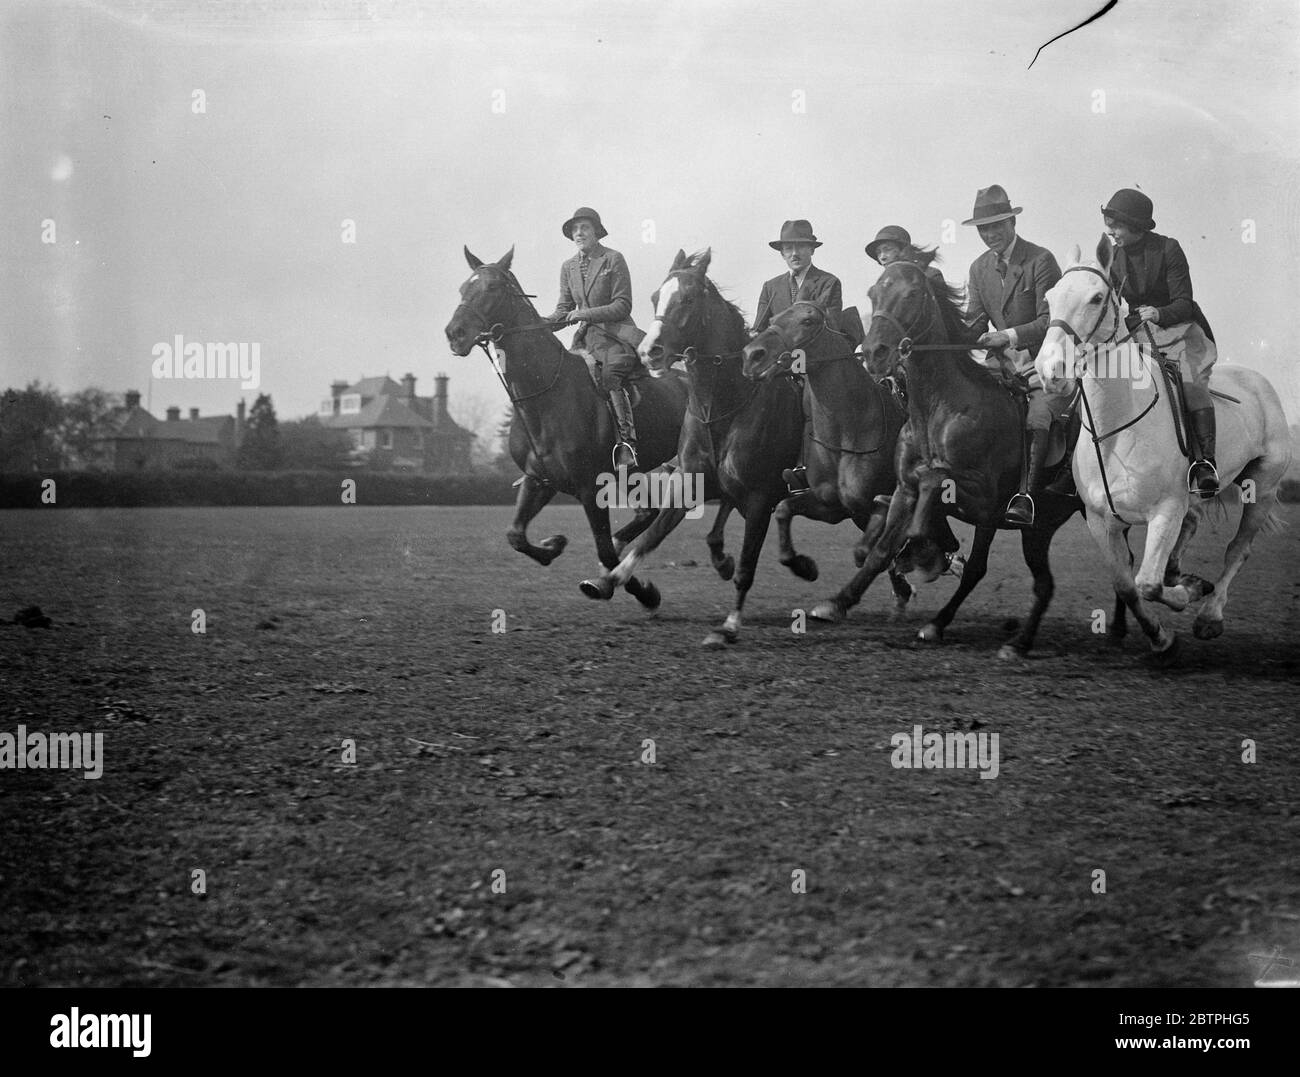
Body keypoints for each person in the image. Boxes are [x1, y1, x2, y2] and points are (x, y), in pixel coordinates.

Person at [962, 184, 1069, 527]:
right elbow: (976, 320)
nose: (990, 234)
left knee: (1037, 417)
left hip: (1043, 364)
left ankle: (1025, 495)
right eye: (983, 228)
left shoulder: (1041, 259)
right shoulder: (978, 269)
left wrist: (1006, 336)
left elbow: (1050, 320)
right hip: (1000, 367)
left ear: (1012, 222)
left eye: (996, 226)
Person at [1101, 188, 1219, 498]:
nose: (1109, 232)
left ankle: (1205, 463)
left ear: (1135, 225)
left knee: (1191, 384)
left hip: (1179, 329)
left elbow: (1184, 302)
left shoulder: (1169, 249)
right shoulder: (1113, 256)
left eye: (1115, 226)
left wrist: (1158, 312)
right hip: (1138, 334)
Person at [546, 206, 646, 468]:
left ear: (596, 232)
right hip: (585, 342)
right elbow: (563, 310)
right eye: (575, 230)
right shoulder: (567, 267)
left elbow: (623, 305)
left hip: (616, 338)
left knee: (610, 376)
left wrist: (584, 314)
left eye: (584, 228)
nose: (579, 233)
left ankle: (627, 445)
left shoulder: (613, 259)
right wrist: (540, 323)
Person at [753, 219, 843, 491]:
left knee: (807, 404)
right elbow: (759, 329)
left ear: (811, 251)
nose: (794, 253)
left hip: (812, 364)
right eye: (788, 248)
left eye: (801, 247)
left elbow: (829, 329)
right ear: (781, 253)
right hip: (776, 367)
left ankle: (805, 469)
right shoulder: (771, 287)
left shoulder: (827, 282)